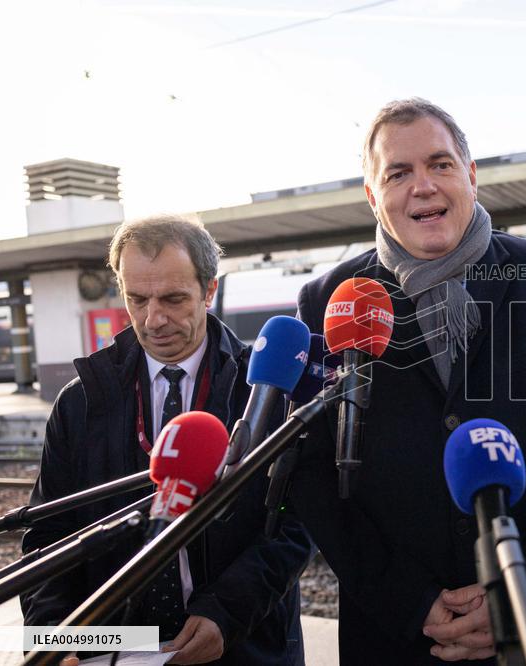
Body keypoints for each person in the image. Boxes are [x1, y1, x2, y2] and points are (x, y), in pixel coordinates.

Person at [290, 98, 526, 664]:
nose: (422, 186)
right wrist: (408, 600)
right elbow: (310, 469)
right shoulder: (327, 301)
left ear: (470, 176)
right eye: (398, 173)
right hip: (400, 637)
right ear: (374, 196)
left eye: (440, 165)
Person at [22, 215, 313, 665]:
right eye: (136, 299)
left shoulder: (270, 392)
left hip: (242, 646)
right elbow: (49, 535)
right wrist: (53, 641)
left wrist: (226, 613)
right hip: (113, 649)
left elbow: (298, 525)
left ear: (209, 290)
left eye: (173, 299)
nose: (153, 319)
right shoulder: (80, 402)